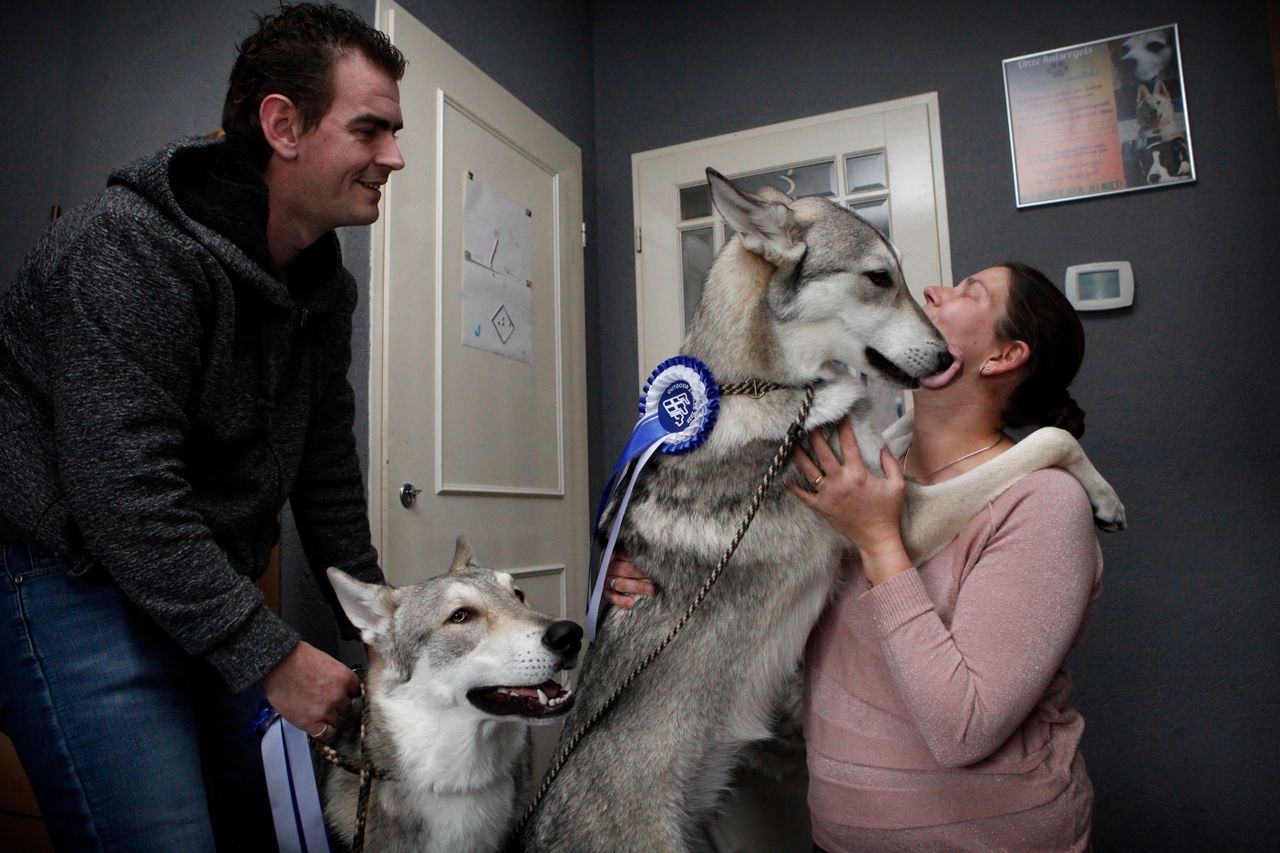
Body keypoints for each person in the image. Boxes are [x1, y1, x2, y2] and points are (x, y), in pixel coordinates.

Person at [0, 4, 405, 850]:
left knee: (268, 823)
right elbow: (124, 492)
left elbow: (325, 470)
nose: (394, 157)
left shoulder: (324, 290)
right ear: (283, 125)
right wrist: (270, 654)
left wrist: (383, 635)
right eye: (370, 130)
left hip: (195, 569)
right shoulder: (125, 248)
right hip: (66, 567)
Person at [606, 263, 1102, 850]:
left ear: (1002, 356)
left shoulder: (1044, 503)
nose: (934, 291)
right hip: (839, 836)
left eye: (972, 292)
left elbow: (962, 728)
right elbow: (767, 613)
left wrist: (878, 540)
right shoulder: (848, 470)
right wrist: (660, 584)